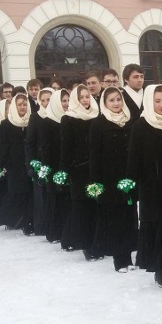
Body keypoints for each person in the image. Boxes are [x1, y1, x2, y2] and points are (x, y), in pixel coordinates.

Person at [127, 84, 162, 285]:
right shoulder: (141, 125)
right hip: (151, 185)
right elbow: (133, 158)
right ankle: (160, 270)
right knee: (157, 227)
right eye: (157, 101)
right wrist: (134, 185)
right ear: (149, 102)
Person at [89, 86, 138, 272]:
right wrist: (96, 184)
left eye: (118, 99)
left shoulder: (130, 121)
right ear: (104, 103)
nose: (116, 103)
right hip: (109, 180)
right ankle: (120, 259)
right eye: (112, 100)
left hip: (128, 178)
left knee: (129, 217)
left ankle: (129, 257)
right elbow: (94, 156)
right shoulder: (98, 124)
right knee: (115, 219)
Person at [60, 85, 102, 259]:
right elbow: (66, 148)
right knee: (83, 209)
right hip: (79, 171)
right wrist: (66, 171)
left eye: (87, 96)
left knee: (96, 208)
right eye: (82, 97)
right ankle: (87, 245)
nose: (85, 100)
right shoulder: (69, 119)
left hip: (96, 169)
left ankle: (97, 243)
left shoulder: (96, 116)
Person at [0, 93, 34, 233]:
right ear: (14, 106)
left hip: (29, 162)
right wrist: (0, 165)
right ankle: (12, 220)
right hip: (14, 164)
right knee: (16, 193)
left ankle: (27, 221)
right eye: (19, 104)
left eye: (25, 104)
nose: (22, 107)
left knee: (28, 193)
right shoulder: (7, 123)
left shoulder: (32, 121)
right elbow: (3, 146)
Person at [39, 89, 70, 245]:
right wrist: (50, 171)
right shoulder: (47, 122)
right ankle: (55, 232)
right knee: (56, 201)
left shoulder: (69, 119)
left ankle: (66, 231)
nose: (66, 104)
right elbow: (45, 148)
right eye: (63, 101)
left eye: (67, 100)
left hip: (66, 165)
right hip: (53, 166)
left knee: (66, 202)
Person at [25, 88, 53, 235]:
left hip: (54, 160)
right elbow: (30, 142)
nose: (46, 103)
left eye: (49, 99)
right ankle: (42, 226)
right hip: (40, 161)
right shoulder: (35, 117)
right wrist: (31, 163)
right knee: (41, 197)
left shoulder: (59, 115)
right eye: (43, 100)